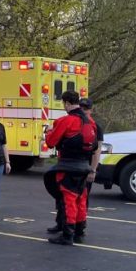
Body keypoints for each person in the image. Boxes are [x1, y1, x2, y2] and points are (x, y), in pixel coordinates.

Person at [43, 91, 98, 245]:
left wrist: (48, 132)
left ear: (66, 103)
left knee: (69, 200)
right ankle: (80, 233)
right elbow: (94, 145)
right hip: (84, 165)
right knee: (81, 199)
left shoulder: (66, 121)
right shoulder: (89, 122)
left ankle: (67, 235)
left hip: (68, 165)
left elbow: (51, 142)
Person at [79, 98, 104, 219]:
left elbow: (97, 150)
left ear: (91, 110)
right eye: (81, 108)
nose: (83, 111)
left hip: (87, 165)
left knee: (83, 196)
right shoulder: (76, 123)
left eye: (86, 109)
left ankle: (81, 225)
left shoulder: (96, 127)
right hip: (74, 163)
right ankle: (61, 223)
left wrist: (93, 170)